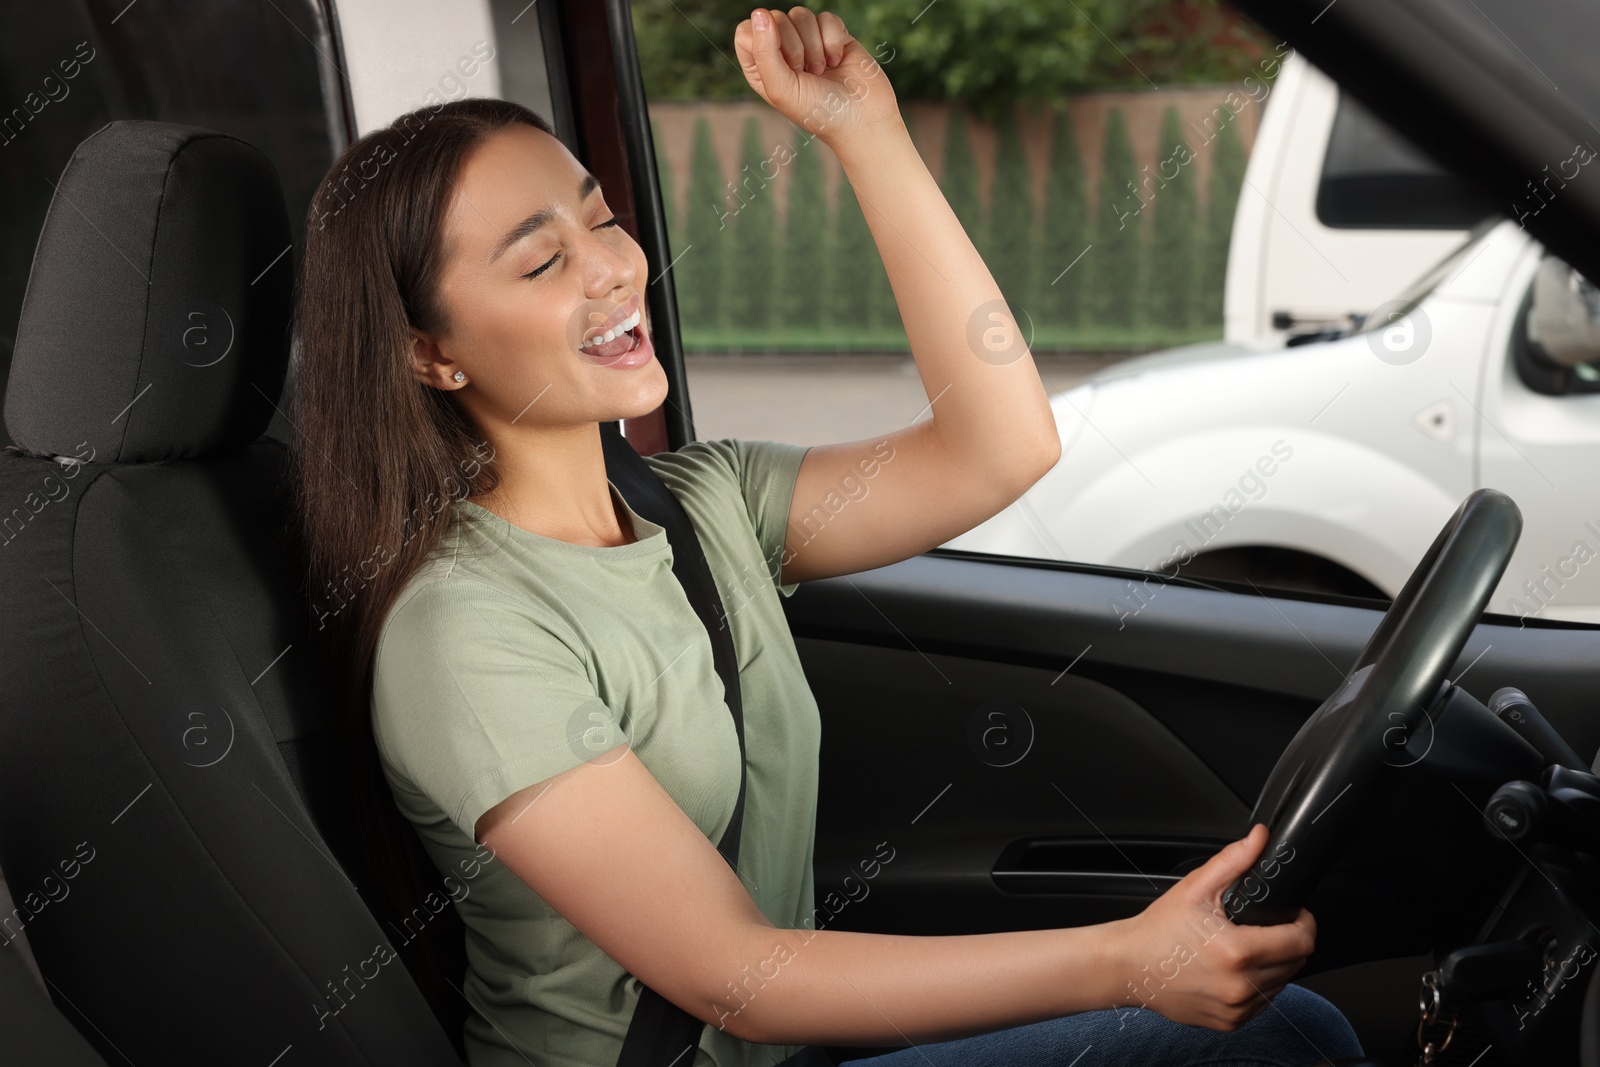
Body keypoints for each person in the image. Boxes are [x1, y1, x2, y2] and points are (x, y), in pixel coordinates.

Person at [286, 6, 1364, 1066]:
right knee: (1288, 1038)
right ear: (433, 354)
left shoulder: (702, 501)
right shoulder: (459, 633)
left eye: (600, 217)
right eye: (538, 262)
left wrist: (864, 128)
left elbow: (1001, 446)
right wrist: (1129, 960)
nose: (613, 267)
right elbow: (734, 979)